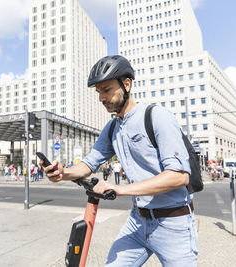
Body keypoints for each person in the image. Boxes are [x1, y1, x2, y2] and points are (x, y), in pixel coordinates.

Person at [43, 55, 197, 266]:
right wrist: (62, 173)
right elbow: (89, 164)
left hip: (173, 224)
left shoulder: (157, 117)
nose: (101, 98)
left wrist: (119, 189)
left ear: (126, 84)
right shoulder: (112, 128)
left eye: (106, 90)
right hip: (137, 221)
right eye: (99, 93)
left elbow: (179, 177)